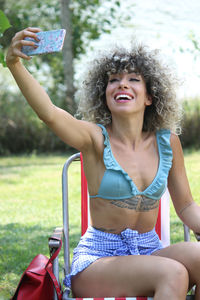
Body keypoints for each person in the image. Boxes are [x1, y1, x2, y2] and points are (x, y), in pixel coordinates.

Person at [6, 27, 200, 300]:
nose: (122, 84)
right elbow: (49, 113)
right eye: (113, 80)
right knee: (173, 273)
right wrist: (14, 64)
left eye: (134, 79)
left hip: (149, 251)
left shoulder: (167, 143)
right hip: (99, 259)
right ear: (104, 94)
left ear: (149, 96)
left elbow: (187, 205)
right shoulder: (94, 138)